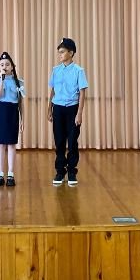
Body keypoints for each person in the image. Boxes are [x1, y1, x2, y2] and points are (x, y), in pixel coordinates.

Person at [48, 37, 88, 186]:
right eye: (59, 52)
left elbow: (82, 93)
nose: (60, 55)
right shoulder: (55, 70)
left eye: (63, 52)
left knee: (72, 142)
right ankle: (60, 171)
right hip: (58, 108)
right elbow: (52, 91)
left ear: (71, 53)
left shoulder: (79, 71)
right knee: (59, 142)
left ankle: (71, 171)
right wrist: (49, 109)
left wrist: (79, 113)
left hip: (72, 109)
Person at [0, 51, 25, 187]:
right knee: (0, 144)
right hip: (1, 112)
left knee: (11, 144)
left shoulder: (19, 82)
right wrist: (1, 80)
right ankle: (0, 173)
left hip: (12, 113)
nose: (4, 66)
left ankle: (10, 173)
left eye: (7, 64)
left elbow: (21, 103)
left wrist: (22, 120)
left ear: (12, 66)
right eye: (2, 64)